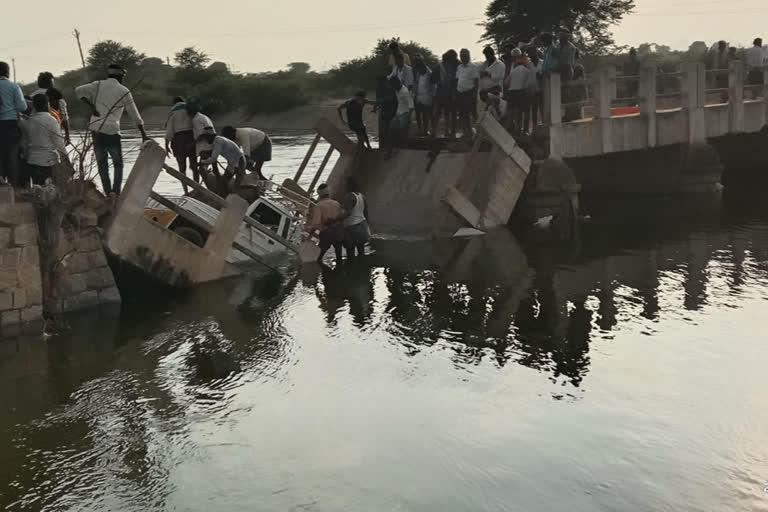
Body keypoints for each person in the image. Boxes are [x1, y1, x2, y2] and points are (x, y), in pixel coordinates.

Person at [75, 64, 148, 196]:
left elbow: (78, 91)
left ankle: (108, 193)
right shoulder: (123, 90)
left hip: (96, 129)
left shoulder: (96, 85)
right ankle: (116, 192)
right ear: (120, 76)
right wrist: (143, 134)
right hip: (112, 130)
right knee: (118, 163)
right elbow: (134, 113)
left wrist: (91, 107)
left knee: (102, 163)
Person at [19, 94, 65, 186]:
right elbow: (59, 143)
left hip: (32, 161)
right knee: (49, 189)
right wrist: (65, 159)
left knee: (37, 188)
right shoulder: (51, 120)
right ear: (47, 104)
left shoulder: (28, 122)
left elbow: (24, 143)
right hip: (48, 161)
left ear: (34, 106)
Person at [0, 61, 26, 186]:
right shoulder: (13, 86)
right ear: (7, 72)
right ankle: (14, 187)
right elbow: (22, 106)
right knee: (12, 156)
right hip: (10, 124)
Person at [306, 183, 345, 264]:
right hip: (338, 232)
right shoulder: (336, 203)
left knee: (318, 257)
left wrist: (309, 233)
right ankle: (339, 271)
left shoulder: (319, 206)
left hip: (326, 233)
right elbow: (341, 217)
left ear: (319, 195)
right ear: (329, 193)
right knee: (339, 255)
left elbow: (316, 224)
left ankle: (324, 272)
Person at [165, 96, 197, 192]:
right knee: (194, 166)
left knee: (182, 168)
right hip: (191, 137)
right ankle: (197, 190)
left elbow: (169, 131)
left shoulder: (172, 113)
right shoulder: (190, 110)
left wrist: (166, 145)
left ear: (174, 103)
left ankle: (186, 191)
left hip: (179, 139)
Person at [33, 72, 70, 146]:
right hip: (54, 131)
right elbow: (64, 116)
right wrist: (67, 135)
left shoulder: (32, 96)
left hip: (35, 133)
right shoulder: (56, 96)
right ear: (50, 83)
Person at [432, 49, 459, 138]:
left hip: (450, 93)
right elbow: (432, 79)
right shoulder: (439, 67)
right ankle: (435, 131)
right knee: (439, 113)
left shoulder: (456, 66)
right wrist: (440, 82)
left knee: (449, 113)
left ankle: (450, 131)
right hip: (442, 93)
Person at [506, 49, 532, 134]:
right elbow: (528, 83)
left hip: (512, 92)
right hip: (521, 91)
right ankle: (525, 130)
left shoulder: (513, 70)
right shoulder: (526, 70)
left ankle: (518, 129)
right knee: (526, 111)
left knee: (518, 112)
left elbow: (506, 82)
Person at [455, 48, 479, 140]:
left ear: (468, 56)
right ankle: (467, 132)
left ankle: (479, 133)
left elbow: (476, 81)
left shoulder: (473, 67)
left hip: (470, 93)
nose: (463, 57)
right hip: (460, 93)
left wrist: (475, 94)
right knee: (463, 114)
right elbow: (457, 79)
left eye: (464, 55)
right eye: (461, 56)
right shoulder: (459, 67)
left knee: (473, 113)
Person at [343, 179, 370, 258]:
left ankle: (351, 268)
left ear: (349, 186)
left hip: (352, 227)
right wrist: (367, 226)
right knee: (361, 250)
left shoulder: (349, 196)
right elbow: (366, 212)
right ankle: (361, 266)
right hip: (362, 224)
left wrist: (336, 218)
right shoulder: (362, 196)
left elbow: (348, 213)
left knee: (350, 251)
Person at [387, 76, 413, 151]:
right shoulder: (396, 89)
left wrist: (408, 118)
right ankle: (391, 149)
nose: (392, 87)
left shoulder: (405, 92)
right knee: (391, 129)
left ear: (397, 84)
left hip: (405, 113)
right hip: (398, 113)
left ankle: (404, 148)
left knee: (403, 131)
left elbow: (411, 107)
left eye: (392, 86)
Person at [413, 56, 434, 135]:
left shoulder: (429, 73)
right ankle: (420, 130)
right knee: (418, 114)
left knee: (425, 114)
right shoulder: (417, 72)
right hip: (418, 96)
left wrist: (431, 97)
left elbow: (433, 87)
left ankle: (425, 130)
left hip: (427, 97)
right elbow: (416, 84)